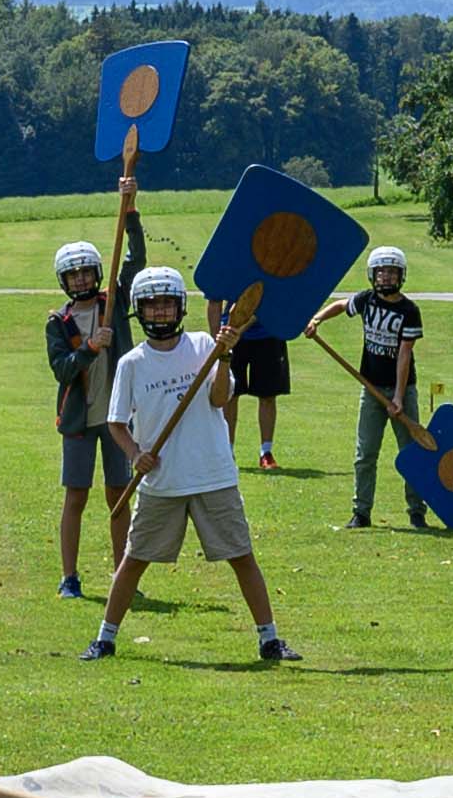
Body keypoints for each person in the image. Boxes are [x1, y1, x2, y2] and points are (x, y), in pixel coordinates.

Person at [86, 266, 297, 664]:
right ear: (139, 311)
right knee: (133, 561)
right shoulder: (132, 363)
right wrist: (135, 455)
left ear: (180, 307)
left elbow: (220, 399)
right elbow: (116, 423)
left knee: (241, 555)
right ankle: (105, 639)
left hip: (212, 474)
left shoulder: (205, 345)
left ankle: (270, 639)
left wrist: (224, 356)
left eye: (167, 304)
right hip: (162, 482)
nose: (160, 312)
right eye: (151, 305)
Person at [320, 243, 429, 529]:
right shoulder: (366, 300)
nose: (385, 278)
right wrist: (316, 319)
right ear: (372, 275)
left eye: (391, 273)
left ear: (401, 276)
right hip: (370, 388)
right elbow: (342, 305)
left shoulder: (409, 311)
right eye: (380, 272)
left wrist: (398, 398)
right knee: (365, 453)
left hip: (401, 390)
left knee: (411, 452)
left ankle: (417, 511)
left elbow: (404, 355)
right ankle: (361, 512)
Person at [47, 237, 132, 599]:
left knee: (118, 496)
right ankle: (70, 577)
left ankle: (122, 574)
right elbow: (62, 370)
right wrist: (90, 347)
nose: (81, 280)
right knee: (76, 497)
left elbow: (136, 258)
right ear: (63, 281)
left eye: (86, 273)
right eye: (73, 275)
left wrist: (131, 211)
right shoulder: (59, 322)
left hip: (116, 420)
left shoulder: (113, 303)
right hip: (78, 423)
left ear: (97, 273)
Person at [233, 308, 294, 472]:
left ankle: (266, 452)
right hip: (232, 332)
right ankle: (227, 451)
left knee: (268, 395)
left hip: (269, 334)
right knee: (230, 394)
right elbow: (214, 301)